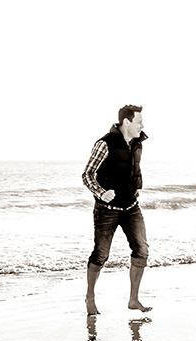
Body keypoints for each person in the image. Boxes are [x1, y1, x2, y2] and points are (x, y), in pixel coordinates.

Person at [82, 105, 151, 314]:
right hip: (107, 209)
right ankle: (90, 297)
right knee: (101, 254)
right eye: (139, 122)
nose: (142, 126)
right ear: (127, 122)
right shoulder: (104, 144)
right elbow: (87, 175)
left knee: (142, 250)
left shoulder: (137, 143)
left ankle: (134, 300)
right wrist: (101, 193)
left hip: (131, 207)